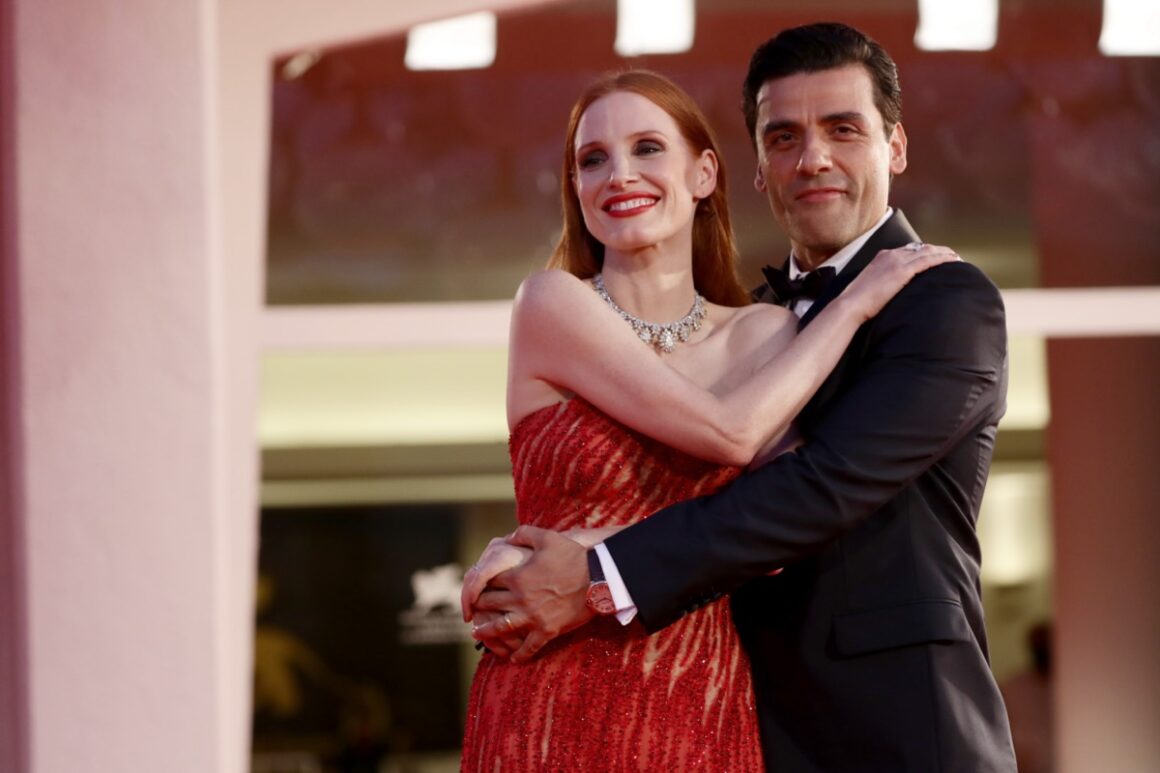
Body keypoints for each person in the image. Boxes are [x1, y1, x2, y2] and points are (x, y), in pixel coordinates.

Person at [466, 23, 1017, 772]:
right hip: (741, 712)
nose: (812, 157)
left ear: (896, 146)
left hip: (896, 728)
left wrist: (595, 567)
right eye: (783, 136)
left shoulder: (942, 299)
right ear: (755, 165)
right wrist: (536, 551)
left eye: (843, 130)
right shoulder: (762, 323)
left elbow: (818, 485)